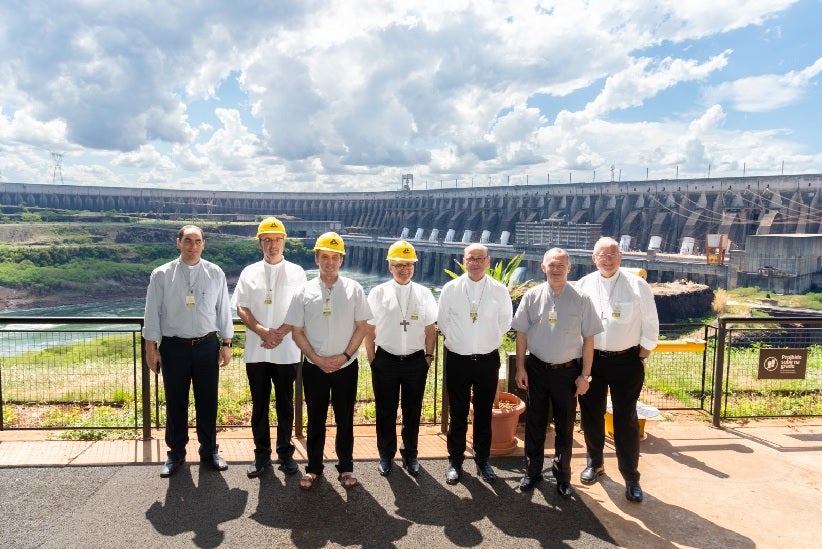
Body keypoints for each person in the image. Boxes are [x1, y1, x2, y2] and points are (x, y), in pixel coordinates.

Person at [143, 225, 234, 478]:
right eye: (187, 240)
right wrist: (151, 349)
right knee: (175, 401)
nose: (192, 245)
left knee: (208, 400)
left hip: (207, 345)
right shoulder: (161, 275)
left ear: (203, 244)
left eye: (197, 241)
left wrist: (226, 344)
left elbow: (223, 310)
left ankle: (209, 451)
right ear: (178, 242)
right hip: (173, 347)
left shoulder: (215, 272)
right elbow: (152, 314)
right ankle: (176, 453)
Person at [284, 232, 372, 490]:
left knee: (345, 419)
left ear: (341, 260)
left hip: (346, 367)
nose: (330, 262)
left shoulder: (354, 289)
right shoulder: (304, 291)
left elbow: (362, 326)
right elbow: (296, 331)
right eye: (325, 257)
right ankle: (313, 469)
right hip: (314, 368)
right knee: (316, 418)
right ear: (316, 259)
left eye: (335, 257)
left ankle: (346, 468)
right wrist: (316, 358)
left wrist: (344, 356)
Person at [575, 236, 659, 502]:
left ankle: (631, 476)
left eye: (613, 255)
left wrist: (642, 355)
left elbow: (651, 323)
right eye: (603, 255)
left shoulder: (637, 285)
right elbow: (577, 323)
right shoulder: (585, 284)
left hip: (627, 361)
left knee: (626, 420)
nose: (608, 260)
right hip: (593, 361)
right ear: (594, 257)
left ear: (620, 257)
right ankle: (595, 463)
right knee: (591, 415)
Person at [513, 248, 602, 497]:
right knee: (535, 424)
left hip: (567, 373)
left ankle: (562, 475)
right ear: (543, 267)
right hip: (537, 369)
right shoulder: (531, 296)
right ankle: (532, 471)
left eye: (560, 265)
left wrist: (585, 375)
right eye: (551, 265)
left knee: (565, 426)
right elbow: (521, 334)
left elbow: (589, 340)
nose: (555, 269)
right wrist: (520, 367)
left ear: (569, 268)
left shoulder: (582, 299)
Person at [232, 217, 307, 479]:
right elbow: (241, 306)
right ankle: (261, 454)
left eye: (276, 239)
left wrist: (280, 333)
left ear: (284, 241)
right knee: (260, 404)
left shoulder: (297, 271)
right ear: (260, 243)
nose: (272, 245)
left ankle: (285, 453)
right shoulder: (249, 272)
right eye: (267, 240)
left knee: (286, 404)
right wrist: (264, 331)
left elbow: (301, 307)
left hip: (287, 350)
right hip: (257, 349)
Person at [437, 243, 513, 485]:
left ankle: (482, 460)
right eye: (471, 258)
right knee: (458, 413)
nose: (476, 262)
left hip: (487, 360)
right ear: (464, 260)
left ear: (488, 261)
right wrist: (463, 341)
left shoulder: (499, 290)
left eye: (480, 258)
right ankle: (455, 461)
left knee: (483, 413)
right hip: (458, 359)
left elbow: (505, 323)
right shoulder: (451, 288)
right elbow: (443, 321)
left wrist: (483, 340)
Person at [364, 240, 438, 477]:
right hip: (385, 360)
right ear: (390, 266)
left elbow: (430, 328)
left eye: (408, 265)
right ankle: (386, 456)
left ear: (414, 266)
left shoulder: (424, 293)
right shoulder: (378, 292)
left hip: (416, 361)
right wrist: (372, 357)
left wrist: (428, 356)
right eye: (399, 265)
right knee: (385, 410)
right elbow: (369, 328)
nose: (404, 269)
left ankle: (410, 455)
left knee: (412, 410)